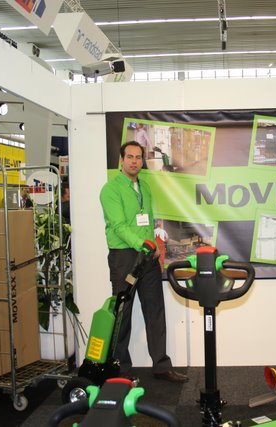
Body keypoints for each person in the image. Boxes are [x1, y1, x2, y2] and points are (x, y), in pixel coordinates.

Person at [99, 141, 188, 383]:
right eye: (130, 157)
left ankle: (161, 366)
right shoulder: (110, 189)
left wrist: (154, 247)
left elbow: (147, 222)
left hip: (148, 256)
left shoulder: (145, 187)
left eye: (138, 157)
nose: (134, 161)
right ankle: (121, 369)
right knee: (123, 314)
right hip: (124, 257)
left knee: (155, 311)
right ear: (122, 160)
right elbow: (119, 226)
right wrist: (144, 244)